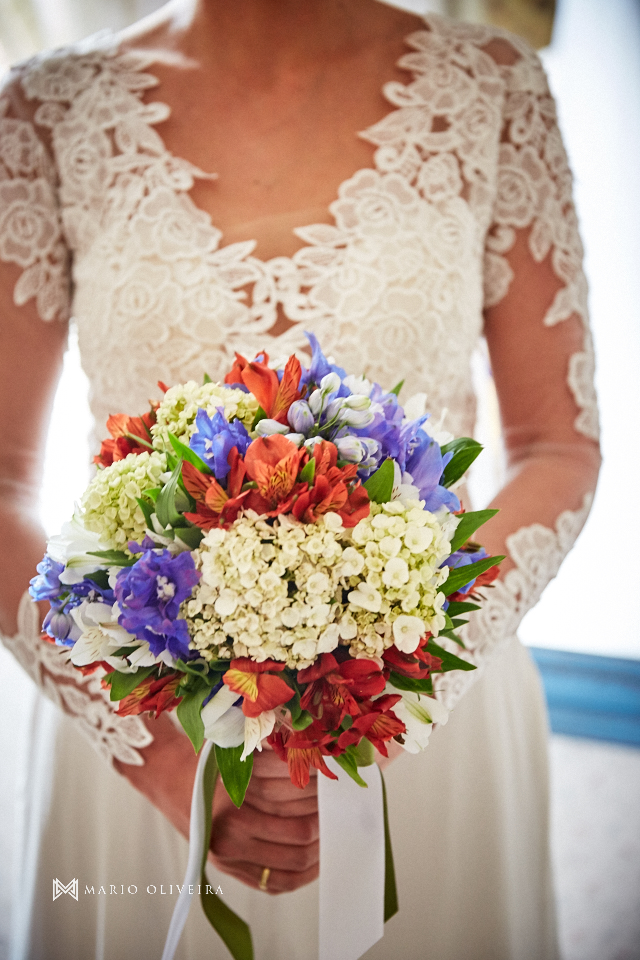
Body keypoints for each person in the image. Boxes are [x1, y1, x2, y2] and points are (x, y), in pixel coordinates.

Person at [0, 0, 601, 957]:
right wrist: (161, 764)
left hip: (422, 725)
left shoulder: (492, 86)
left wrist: (397, 692)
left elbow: (556, 444)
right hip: (144, 733)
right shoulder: (50, 107)